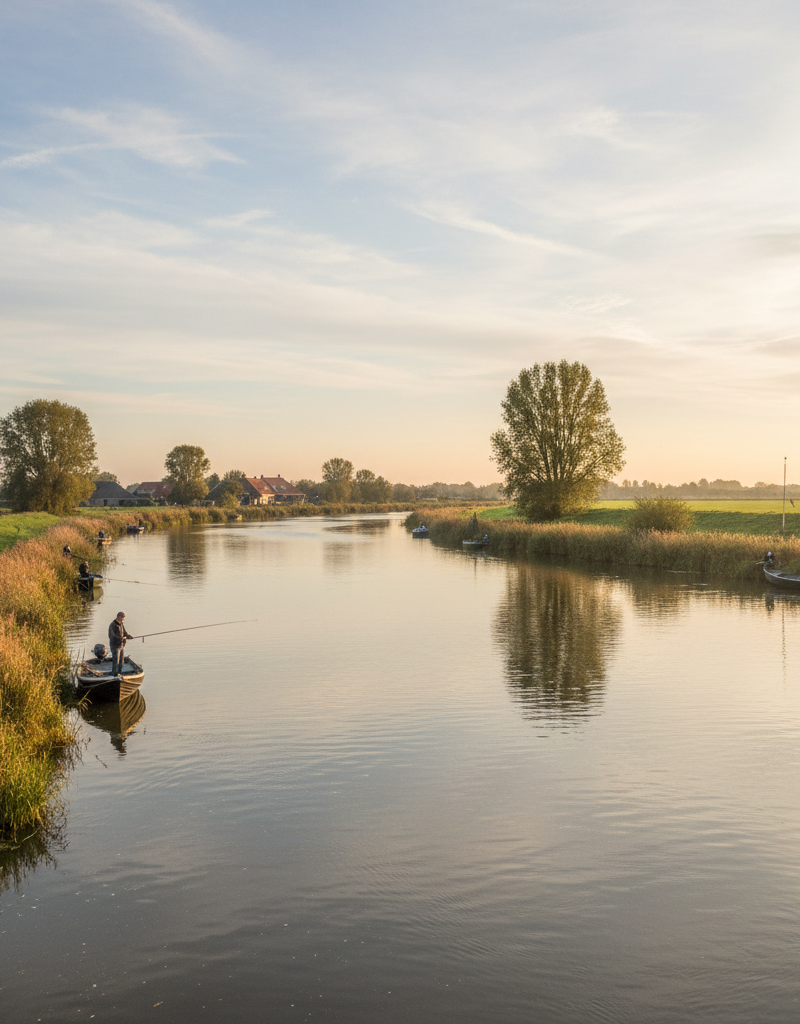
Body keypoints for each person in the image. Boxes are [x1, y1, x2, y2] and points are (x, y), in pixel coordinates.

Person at [108, 612, 133, 676]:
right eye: (123, 618)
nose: (123, 620)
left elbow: (124, 632)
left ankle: (119, 672)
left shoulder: (121, 624)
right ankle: (114, 674)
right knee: (116, 660)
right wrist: (121, 638)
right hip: (115, 645)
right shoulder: (112, 625)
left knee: (121, 660)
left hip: (121, 645)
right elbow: (112, 636)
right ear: (119, 617)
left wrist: (128, 636)